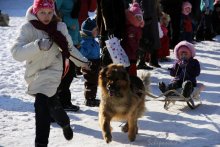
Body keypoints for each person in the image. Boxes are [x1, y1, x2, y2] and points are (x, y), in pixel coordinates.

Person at [10, 0, 90, 146]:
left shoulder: (60, 27)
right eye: (42, 12)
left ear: (54, 12)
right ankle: (65, 122)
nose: (46, 16)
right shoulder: (27, 28)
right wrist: (37, 45)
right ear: (35, 11)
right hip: (35, 74)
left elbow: (69, 48)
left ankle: (40, 144)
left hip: (54, 70)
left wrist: (84, 62)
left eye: (49, 12)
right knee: (52, 104)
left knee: (41, 105)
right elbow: (16, 53)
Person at [55, 0, 82, 111]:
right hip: (65, 40)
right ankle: (62, 102)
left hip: (74, 38)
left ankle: (63, 102)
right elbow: (54, 11)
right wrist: (67, 23)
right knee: (66, 73)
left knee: (70, 73)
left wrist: (79, 39)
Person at [96, 0, 126, 67]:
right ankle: (108, 74)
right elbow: (105, 11)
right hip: (109, 30)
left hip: (114, 28)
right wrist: (110, 28)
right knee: (109, 56)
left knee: (114, 56)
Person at [79, 18, 101, 107]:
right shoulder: (85, 42)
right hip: (89, 64)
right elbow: (81, 53)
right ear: (89, 32)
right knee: (90, 82)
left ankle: (92, 97)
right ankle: (89, 99)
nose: (97, 31)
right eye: (95, 30)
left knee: (94, 81)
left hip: (95, 63)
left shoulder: (91, 40)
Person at [135, 0, 161, 69]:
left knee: (150, 40)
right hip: (147, 20)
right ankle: (142, 62)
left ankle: (152, 60)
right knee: (145, 41)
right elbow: (144, 6)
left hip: (150, 18)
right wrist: (147, 19)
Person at [121, 2, 145, 76]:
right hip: (130, 51)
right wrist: (136, 49)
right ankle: (131, 78)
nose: (139, 19)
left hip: (133, 52)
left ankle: (132, 77)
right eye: (137, 17)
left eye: (140, 17)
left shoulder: (137, 27)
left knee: (133, 65)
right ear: (133, 17)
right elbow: (131, 41)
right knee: (131, 66)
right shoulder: (131, 28)